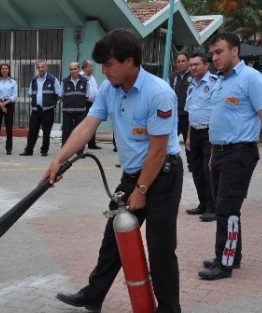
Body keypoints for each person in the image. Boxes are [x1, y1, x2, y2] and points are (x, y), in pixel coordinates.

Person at [45, 29, 183, 313]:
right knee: (113, 239)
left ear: (129, 61)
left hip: (162, 176)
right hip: (132, 174)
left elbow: (158, 152)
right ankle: (94, 295)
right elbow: (87, 125)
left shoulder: (158, 94)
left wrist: (141, 190)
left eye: (108, 65)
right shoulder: (109, 89)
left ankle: (169, 309)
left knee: (160, 248)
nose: (103, 71)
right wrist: (59, 158)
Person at [197, 32, 262, 280]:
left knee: (226, 209)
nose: (214, 57)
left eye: (219, 52)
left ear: (235, 51)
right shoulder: (220, 80)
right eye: (212, 53)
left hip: (240, 153)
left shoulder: (251, 78)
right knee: (225, 207)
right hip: (220, 153)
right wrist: (213, 153)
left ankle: (225, 262)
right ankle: (232, 253)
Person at [184, 52, 217, 222]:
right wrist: (189, 136)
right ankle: (203, 204)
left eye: (196, 64)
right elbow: (191, 113)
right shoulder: (191, 86)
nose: (193, 68)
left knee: (208, 170)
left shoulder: (214, 84)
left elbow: (219, 112)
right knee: (196, 169)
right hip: (195, 132)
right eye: (191, 65)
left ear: (206, 65)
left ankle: (213, 207)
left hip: (210, 132)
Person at [20, 60, 60, 157]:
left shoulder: (53, 79)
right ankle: (29, 150)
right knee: (32, 131)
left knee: (46, 131)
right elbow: (30, 93)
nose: (41, 69)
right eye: (39, 67)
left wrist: (52, 103)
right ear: (37, 68)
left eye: (43, 67)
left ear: (47, 67)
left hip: (48, 110)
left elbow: (58, 94)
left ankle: (44, 150)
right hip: (36, 110)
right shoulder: (34, 80)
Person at [169, 52, 192, 171]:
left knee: (190, 142)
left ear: (188, 62)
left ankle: (191, 165)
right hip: (174, 116)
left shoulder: (193, 76)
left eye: (183, 61)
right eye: (178, 62)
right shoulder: (172, 77)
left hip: (188, 116)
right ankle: (171, 163)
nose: (181, 64)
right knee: (171, 141)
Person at [60, 62, 89, 155]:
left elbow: (87, 96)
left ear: (79, 70)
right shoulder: (64, 81)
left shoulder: (85, 81)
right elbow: (61, 96)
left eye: (75, 69)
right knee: (66, 132)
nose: (73, 71)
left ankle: (80, 151)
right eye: (71, 69)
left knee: (80, 132)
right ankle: (64, 151)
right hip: (67, 111)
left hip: (80, 112)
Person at [0, 63, 17, 155]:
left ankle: (9, 148)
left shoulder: (13, 82)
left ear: (9, 70)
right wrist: (1, 105)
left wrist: (5, 104)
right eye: (3, 69)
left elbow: (14, 95)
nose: (4, 70)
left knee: (9, 127)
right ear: (0, 70)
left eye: (6, 68)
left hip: (9, 104)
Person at [81, 60, 102, 149]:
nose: (93, 68)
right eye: (91, 66)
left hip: (92, 103)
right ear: (86, 68)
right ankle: (80, 144)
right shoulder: (80, 77)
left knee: (92, 123)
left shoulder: (92, 77)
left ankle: (91, 143)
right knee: (83, 123)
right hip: (83, 103)